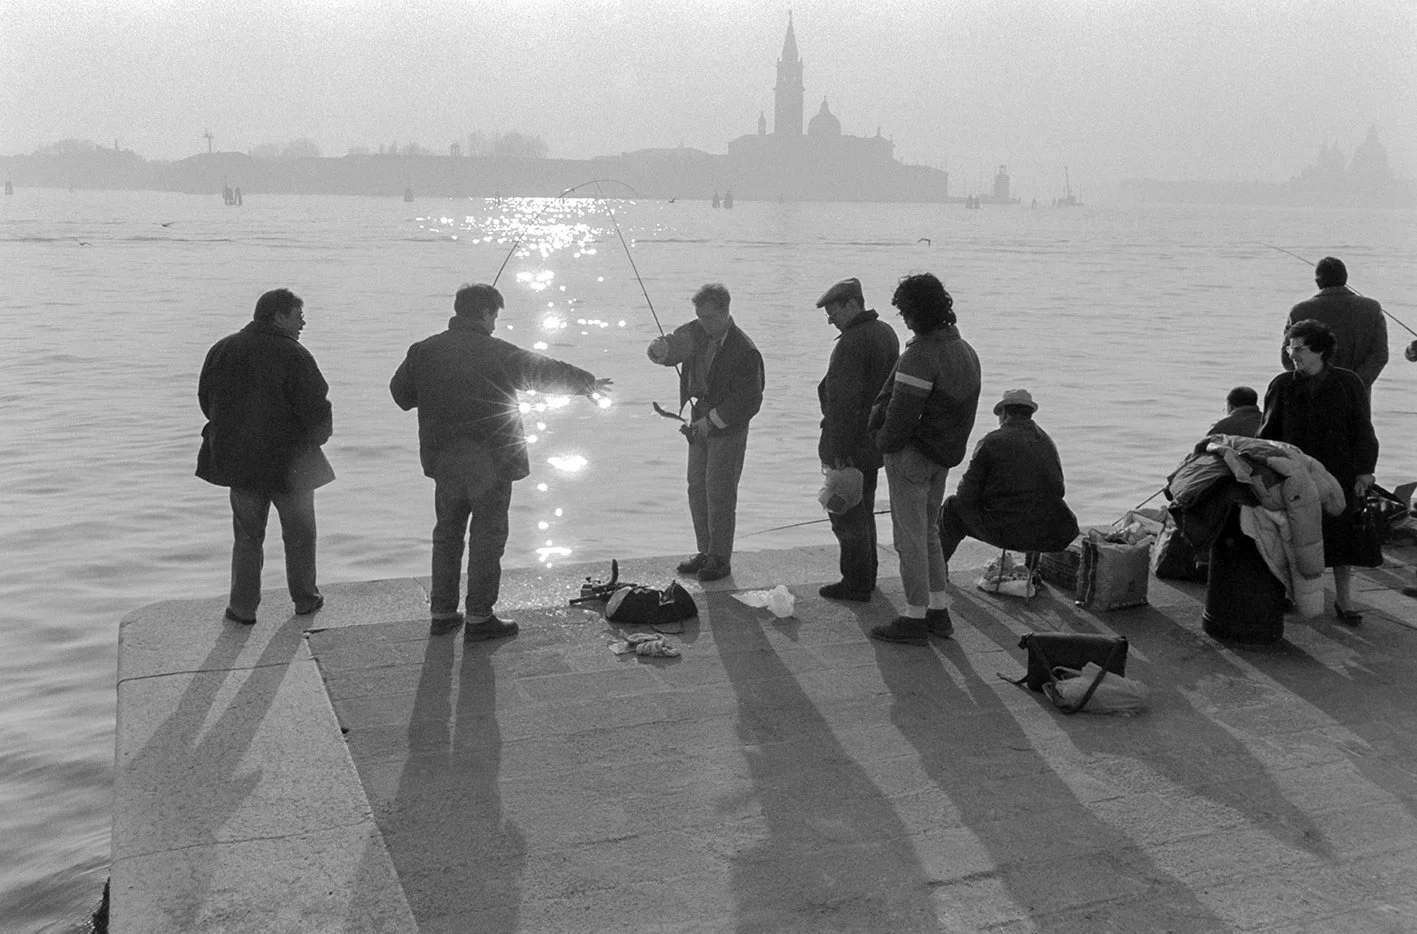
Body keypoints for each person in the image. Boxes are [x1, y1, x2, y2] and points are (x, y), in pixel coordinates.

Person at [390, 283, 612, 638]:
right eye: (495, 315)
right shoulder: (497, 352)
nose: (495, 323)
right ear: (486, 314)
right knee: (487, 537)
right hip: (491, 464)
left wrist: (435, 392)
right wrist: (586, 383)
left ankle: (443, 613)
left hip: (445, 462)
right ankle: (479, 617)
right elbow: (543, 371)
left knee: (447, 535)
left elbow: (401, 395)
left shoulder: (423, 351)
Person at [197, 288, 334, 624]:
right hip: (290, 465)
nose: (303, 322)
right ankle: (305, 599)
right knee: (300, 534)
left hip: (239, 463)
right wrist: (319, 437)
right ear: (278, 316)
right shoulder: (294, 355)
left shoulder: (222, 349)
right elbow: (316, 408)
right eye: (297, 315)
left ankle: (242, 609)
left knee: (247, 536)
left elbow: (205, 399)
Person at [867, 273, 981, 645]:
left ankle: (913, 617)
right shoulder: (966, 352)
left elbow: (901, 416)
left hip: (911, 457)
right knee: (930, 533)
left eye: (905, 312)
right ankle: (938, 611)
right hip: (943, 457)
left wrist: (882, 444)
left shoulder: (920, 356)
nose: (904, 319)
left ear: (917, 312)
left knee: (909, 538)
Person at [1260, 318, 1379, 623]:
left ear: (1320, 350)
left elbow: (1362, 429)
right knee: (1293, 535)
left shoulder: (1349, 383)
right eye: (1290, 346)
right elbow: (1267, 434)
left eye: (1299, 347)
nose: (1292, 353)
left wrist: (1365, 471)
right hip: (1295, 475)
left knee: (1341, 537)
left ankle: (1345, 601)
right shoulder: (1282, 385)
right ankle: (1289, 594)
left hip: (1339, 472)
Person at [647, 283, 765, 582]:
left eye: (709, 318)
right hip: (699, 414)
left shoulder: (745, 350)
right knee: (696, 487)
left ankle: (720, 558)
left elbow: (750, 400)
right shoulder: (698, 330)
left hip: (727, 425)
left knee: (719, 491)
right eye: (699, 316)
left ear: (725, 312)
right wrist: (659, 349)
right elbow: (676, 344)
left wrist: (712, 421)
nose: (703, 323)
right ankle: (705, 551)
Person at [937, 389, 1079, 623]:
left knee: (952, 507)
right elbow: (1057, 490)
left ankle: (938, 570)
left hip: (1006, 532)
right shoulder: (1047, 441)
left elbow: (965, 495)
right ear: (1029, 413)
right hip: (1045, 534)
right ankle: (1032, 569)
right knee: (1040, 504)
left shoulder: (991, 441)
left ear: (1003, 413)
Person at [814, 277, 900, 601]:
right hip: (874, 441)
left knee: (846, 514)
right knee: (863, 508)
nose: (831, 320)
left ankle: (855, 581)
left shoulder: (851, 342)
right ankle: (867, 574)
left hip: (849, 443)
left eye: (834, 312)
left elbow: (843, 402)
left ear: (853, 304)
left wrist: (837, 450)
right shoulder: (886, 333)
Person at [1280, 257, 1387, 391]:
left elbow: (1288, 356)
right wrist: (1356, 384)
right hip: (1357, 394)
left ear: (1318, 282)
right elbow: (1379, 355)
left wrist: (1311, 381)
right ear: (1345, 278)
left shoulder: (1300, 311)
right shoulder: (1372, 308)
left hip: (1311, 394)